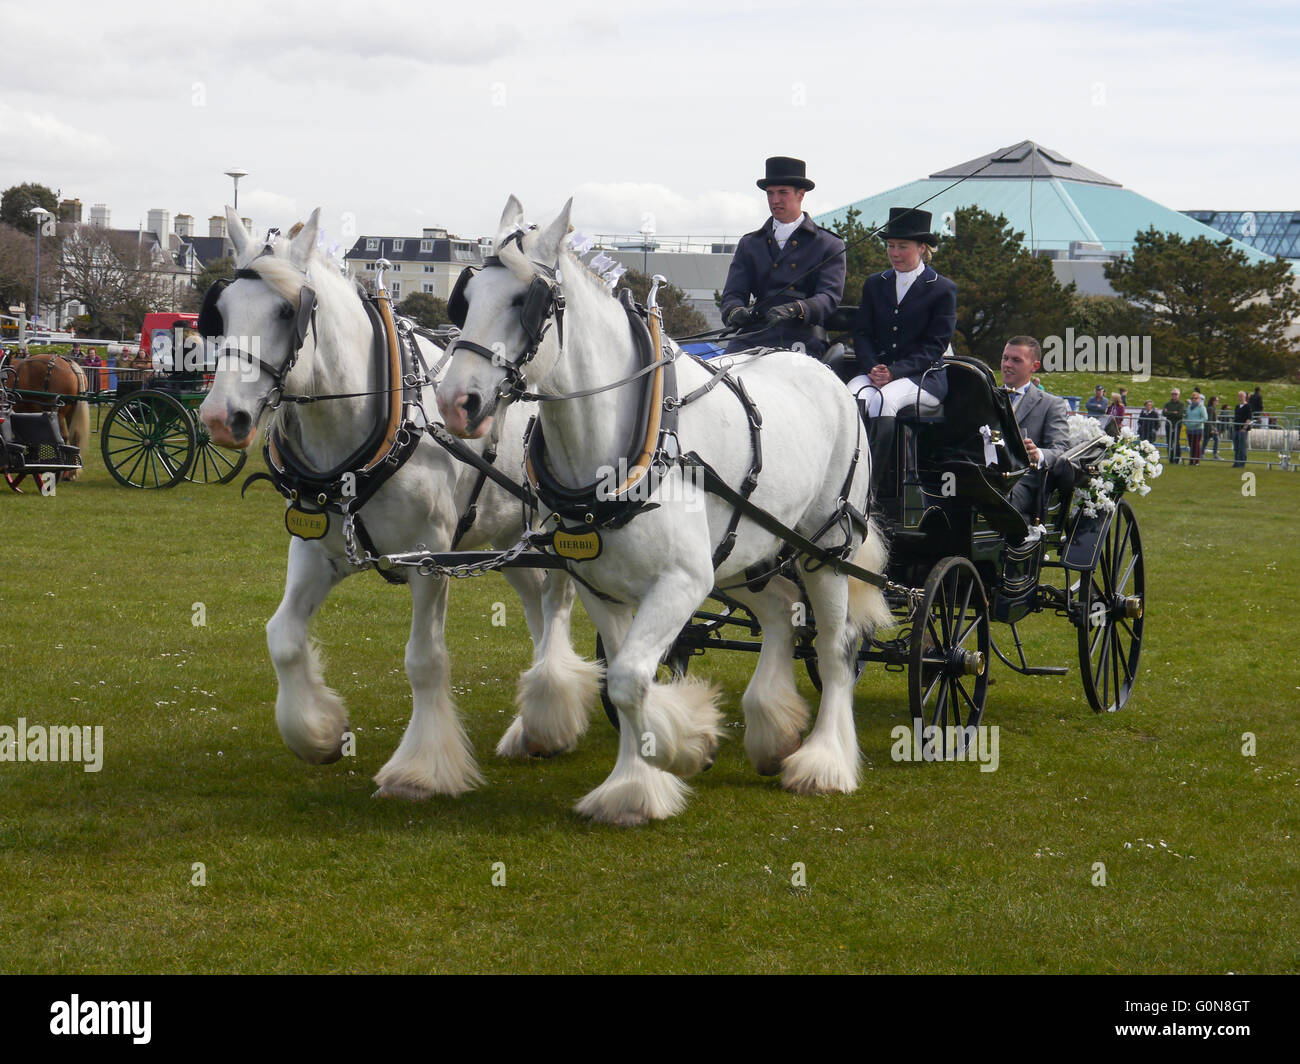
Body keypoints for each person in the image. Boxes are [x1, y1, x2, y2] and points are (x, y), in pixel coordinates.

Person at [847, 206, 957, 487]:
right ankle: (845, 473)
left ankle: (873, 484)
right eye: (890, 246)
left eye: (902, 247)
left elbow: (935, 345)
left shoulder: (942, 288)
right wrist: (873, 366)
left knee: (885, 400)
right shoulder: (875, 284)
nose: (894, 253)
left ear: (922, 247)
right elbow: (862, 333)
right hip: (878, 370)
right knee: (851, 395)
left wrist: (893, 373)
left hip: (923, 377)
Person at [719, 156, 846, 360]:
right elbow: (733, 293)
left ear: (801, 194)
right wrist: (735, 311)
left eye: (782, 193)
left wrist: (797, 308)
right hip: (755, 334)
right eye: (770, 193)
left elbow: (829, 298)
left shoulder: (828, 244)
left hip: (802, 336)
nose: (775, 200)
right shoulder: (750, 243)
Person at [1000, 337, 1070, 519]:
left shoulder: (1051, 404)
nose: (1007, 364)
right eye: (1004, 358)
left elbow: (1061, 449)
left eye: (1016, 360)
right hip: (985, 477)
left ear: (1034, 366)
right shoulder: (985, 398)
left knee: (993, 496)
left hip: (1024, 484)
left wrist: (1038, 454)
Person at [1163, 388, 1185, 464]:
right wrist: (1173, 413)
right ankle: (1171, 459)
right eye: (1173, 394)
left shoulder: (1181, 404)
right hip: (1169, 425)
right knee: (1169, 442)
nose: (1174, 396)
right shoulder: (1167, 404)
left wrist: (1169, 412)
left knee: (1176, 442)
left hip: (1177, 425)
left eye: (1175, 394)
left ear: (1178, 395)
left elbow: (1179, 414)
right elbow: (1164, 413)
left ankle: (1177, 458)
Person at [1184, 392, 1207, 465]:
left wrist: (1196, 422)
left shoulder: (1201, 407)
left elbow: (1205, 418)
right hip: (1189, 429)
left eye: (1196, 398)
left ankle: (1197, 461)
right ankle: (1191, 460)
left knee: (1196, 444)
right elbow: (1186, 416)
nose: (1194, 399)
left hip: (1198, 428)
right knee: (1191, 445)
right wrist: (1185, 422)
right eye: (1192, 398)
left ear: (1199, 399)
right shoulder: (1189, 407)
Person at [1233, 390, 1252, 467]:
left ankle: (1241, 463)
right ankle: (1236, 462)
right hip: (1236, 429)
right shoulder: (1237, 407)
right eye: (1239, 396)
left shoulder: (1248, 406)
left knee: (1242, 447)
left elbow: (1249, 418)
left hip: (1243, 430)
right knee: (1236, 446)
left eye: (1241, 396)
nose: (1240, 398)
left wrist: (1244, 428)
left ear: (1245, 397)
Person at [1205, 395, 1222, 459]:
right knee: (1216, 439)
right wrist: (1212, 429)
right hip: (1210, 427)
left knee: (1206, 441)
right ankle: (1215, 454)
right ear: (1213, 401)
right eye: (1216, 400)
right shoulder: (1210, 409)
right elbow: (1209, 419)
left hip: (1211, 427)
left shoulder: (1213, 408)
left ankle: (1202, 454)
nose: (1218, 402)